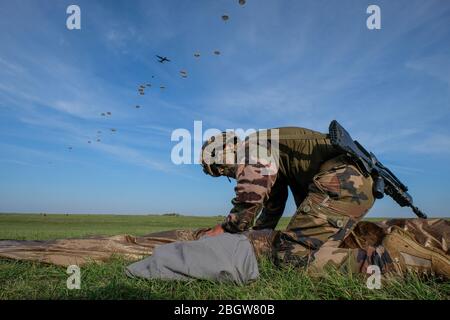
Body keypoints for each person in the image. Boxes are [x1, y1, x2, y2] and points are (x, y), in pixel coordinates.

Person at [200, 126, 450, 277]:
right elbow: (273, 204)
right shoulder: (270, 144)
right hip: (355, 184)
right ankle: (429, 238)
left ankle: (400, 260)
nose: (227, 174)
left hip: (340, 182)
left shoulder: (251, 146)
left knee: (291, 257)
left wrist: (226, 229)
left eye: (220, 170)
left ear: (225, 150)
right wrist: (252, 238)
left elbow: (253, 190)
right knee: (340, 242)